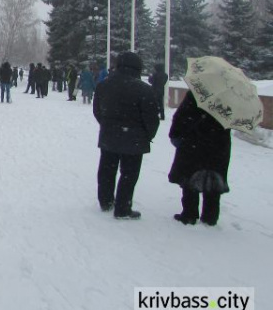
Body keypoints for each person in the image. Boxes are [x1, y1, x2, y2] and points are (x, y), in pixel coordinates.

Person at [93, 51, 159, 219]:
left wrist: (107, 125)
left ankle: (106, 200)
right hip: (135, 139)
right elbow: (151, 118)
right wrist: (146, 135)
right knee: (129, 174)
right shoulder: (144, 89)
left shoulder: (104, 85)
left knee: (107, 170)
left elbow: (98, 111)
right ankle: (123, 207)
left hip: (109, 135)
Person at [168, 91, 231, 226]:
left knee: (190, 177)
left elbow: (181, 117)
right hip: (219, 145)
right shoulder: (229, 97)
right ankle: (210, 216)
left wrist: (175, 134)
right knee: (214, 179)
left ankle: (189, 214)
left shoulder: (197, 93)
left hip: (194, 142)